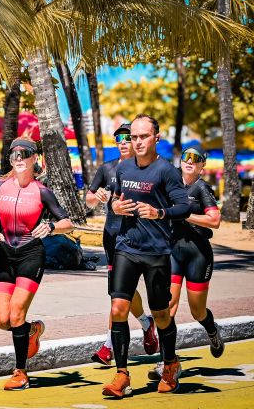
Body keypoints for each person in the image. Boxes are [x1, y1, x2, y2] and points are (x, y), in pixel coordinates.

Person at [102, 114, 190, 398]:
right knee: (117, 309)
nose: (136, 142)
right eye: (133, 137)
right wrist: (115, 206)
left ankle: (170, 363)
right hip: (126, 247)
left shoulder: (166, 171)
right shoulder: (124, 168)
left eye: (142, 136)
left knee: (162, 315)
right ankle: (122, 375)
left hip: (157, 252)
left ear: (156, 138)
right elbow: (116, 197)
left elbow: (183, 207)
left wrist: (159, 212)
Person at [0, 137, 74, 391]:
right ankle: (32, 330)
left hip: (30, 255)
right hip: (4, 256)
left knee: (15, 314)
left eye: (25, 154)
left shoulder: (41, 191)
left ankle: (20, 372)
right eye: (14, 154)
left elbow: (68, 223)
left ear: (35, 158)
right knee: (3, 320)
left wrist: (52, 226)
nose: (19, 158)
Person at [148, 145, 224, 380]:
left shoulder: (201, 188)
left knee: (197, 310)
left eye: (196, 158)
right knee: (167, 308)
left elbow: (215, 220)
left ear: (202, 166)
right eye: (186, 157)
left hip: (198, 254)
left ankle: (212, 330)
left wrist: (185, 214)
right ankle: (166, 362)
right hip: (172, 253)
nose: (190, 161)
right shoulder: (170, 183)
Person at [86, 123, 158, 366]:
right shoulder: (107, 168)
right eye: (119, 139)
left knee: (119, 292)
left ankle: (108, 346)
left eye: (128, 137)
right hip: (111, 235)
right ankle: (146, 324)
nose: (124, 142)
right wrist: (97, 197)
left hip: (137, 236)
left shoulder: (146, 169)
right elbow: (88, 196)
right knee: (117, 291)